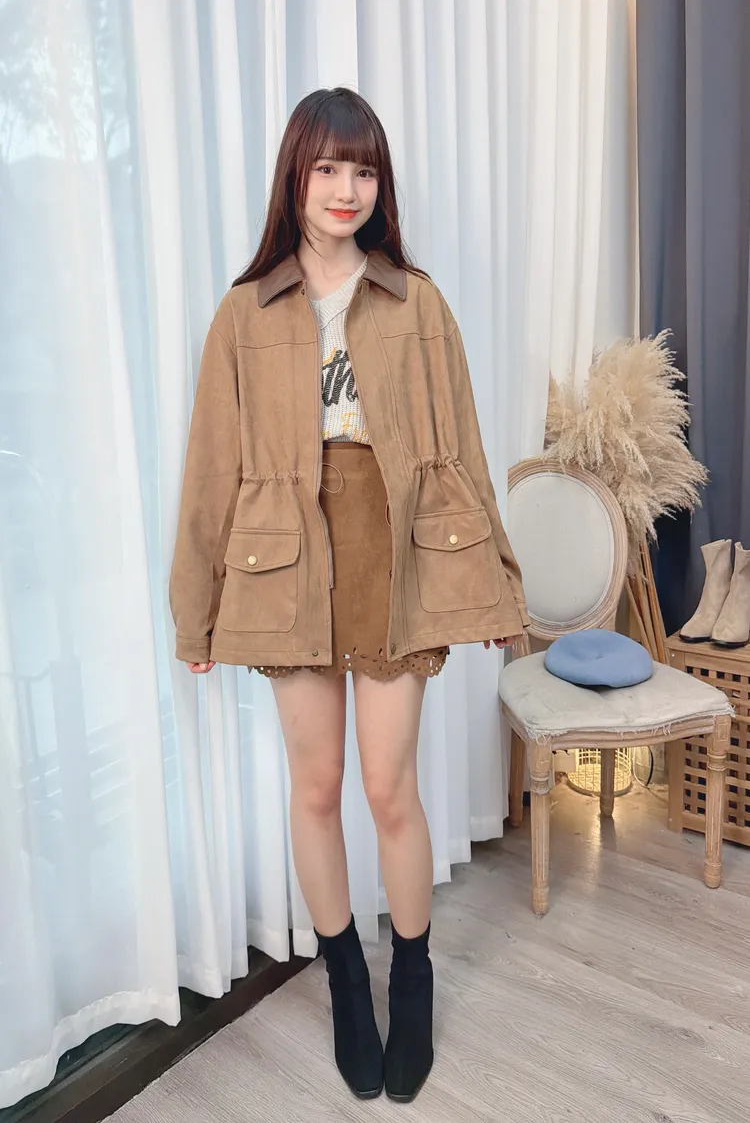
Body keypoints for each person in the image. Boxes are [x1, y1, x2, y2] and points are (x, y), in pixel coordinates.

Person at [169, 87, 529, 1103]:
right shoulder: (245, 312)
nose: (346, 188)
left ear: (381, 184)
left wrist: (492, 584)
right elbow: (211, 469)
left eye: (363, 169)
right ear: (295, 174)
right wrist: (195, 610)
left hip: (396, 547)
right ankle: (343, 980)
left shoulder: (417, 302)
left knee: (386, 786)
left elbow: (463, 450)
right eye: (327, 167)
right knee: (317, 786)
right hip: (283, 559)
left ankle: (410, 974)